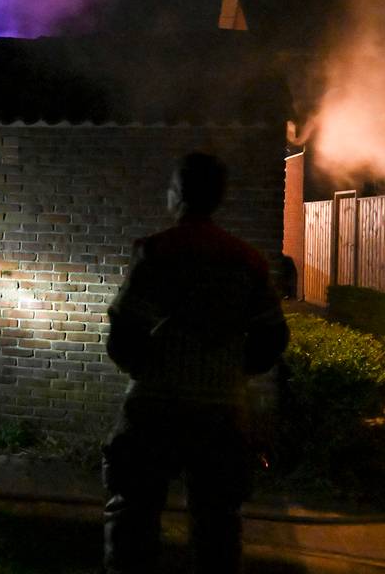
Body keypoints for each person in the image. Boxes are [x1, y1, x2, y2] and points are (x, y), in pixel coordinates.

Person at [102, 152, 289, 574]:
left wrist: (150, 367)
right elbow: (272, 337)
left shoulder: (156, 253)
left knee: (131, 517)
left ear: (178, 196)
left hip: (153, 408)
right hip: (222, 413)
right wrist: (231, 368)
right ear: (218, 199)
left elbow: (124, 335)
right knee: (218, 528)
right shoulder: (248, 261)